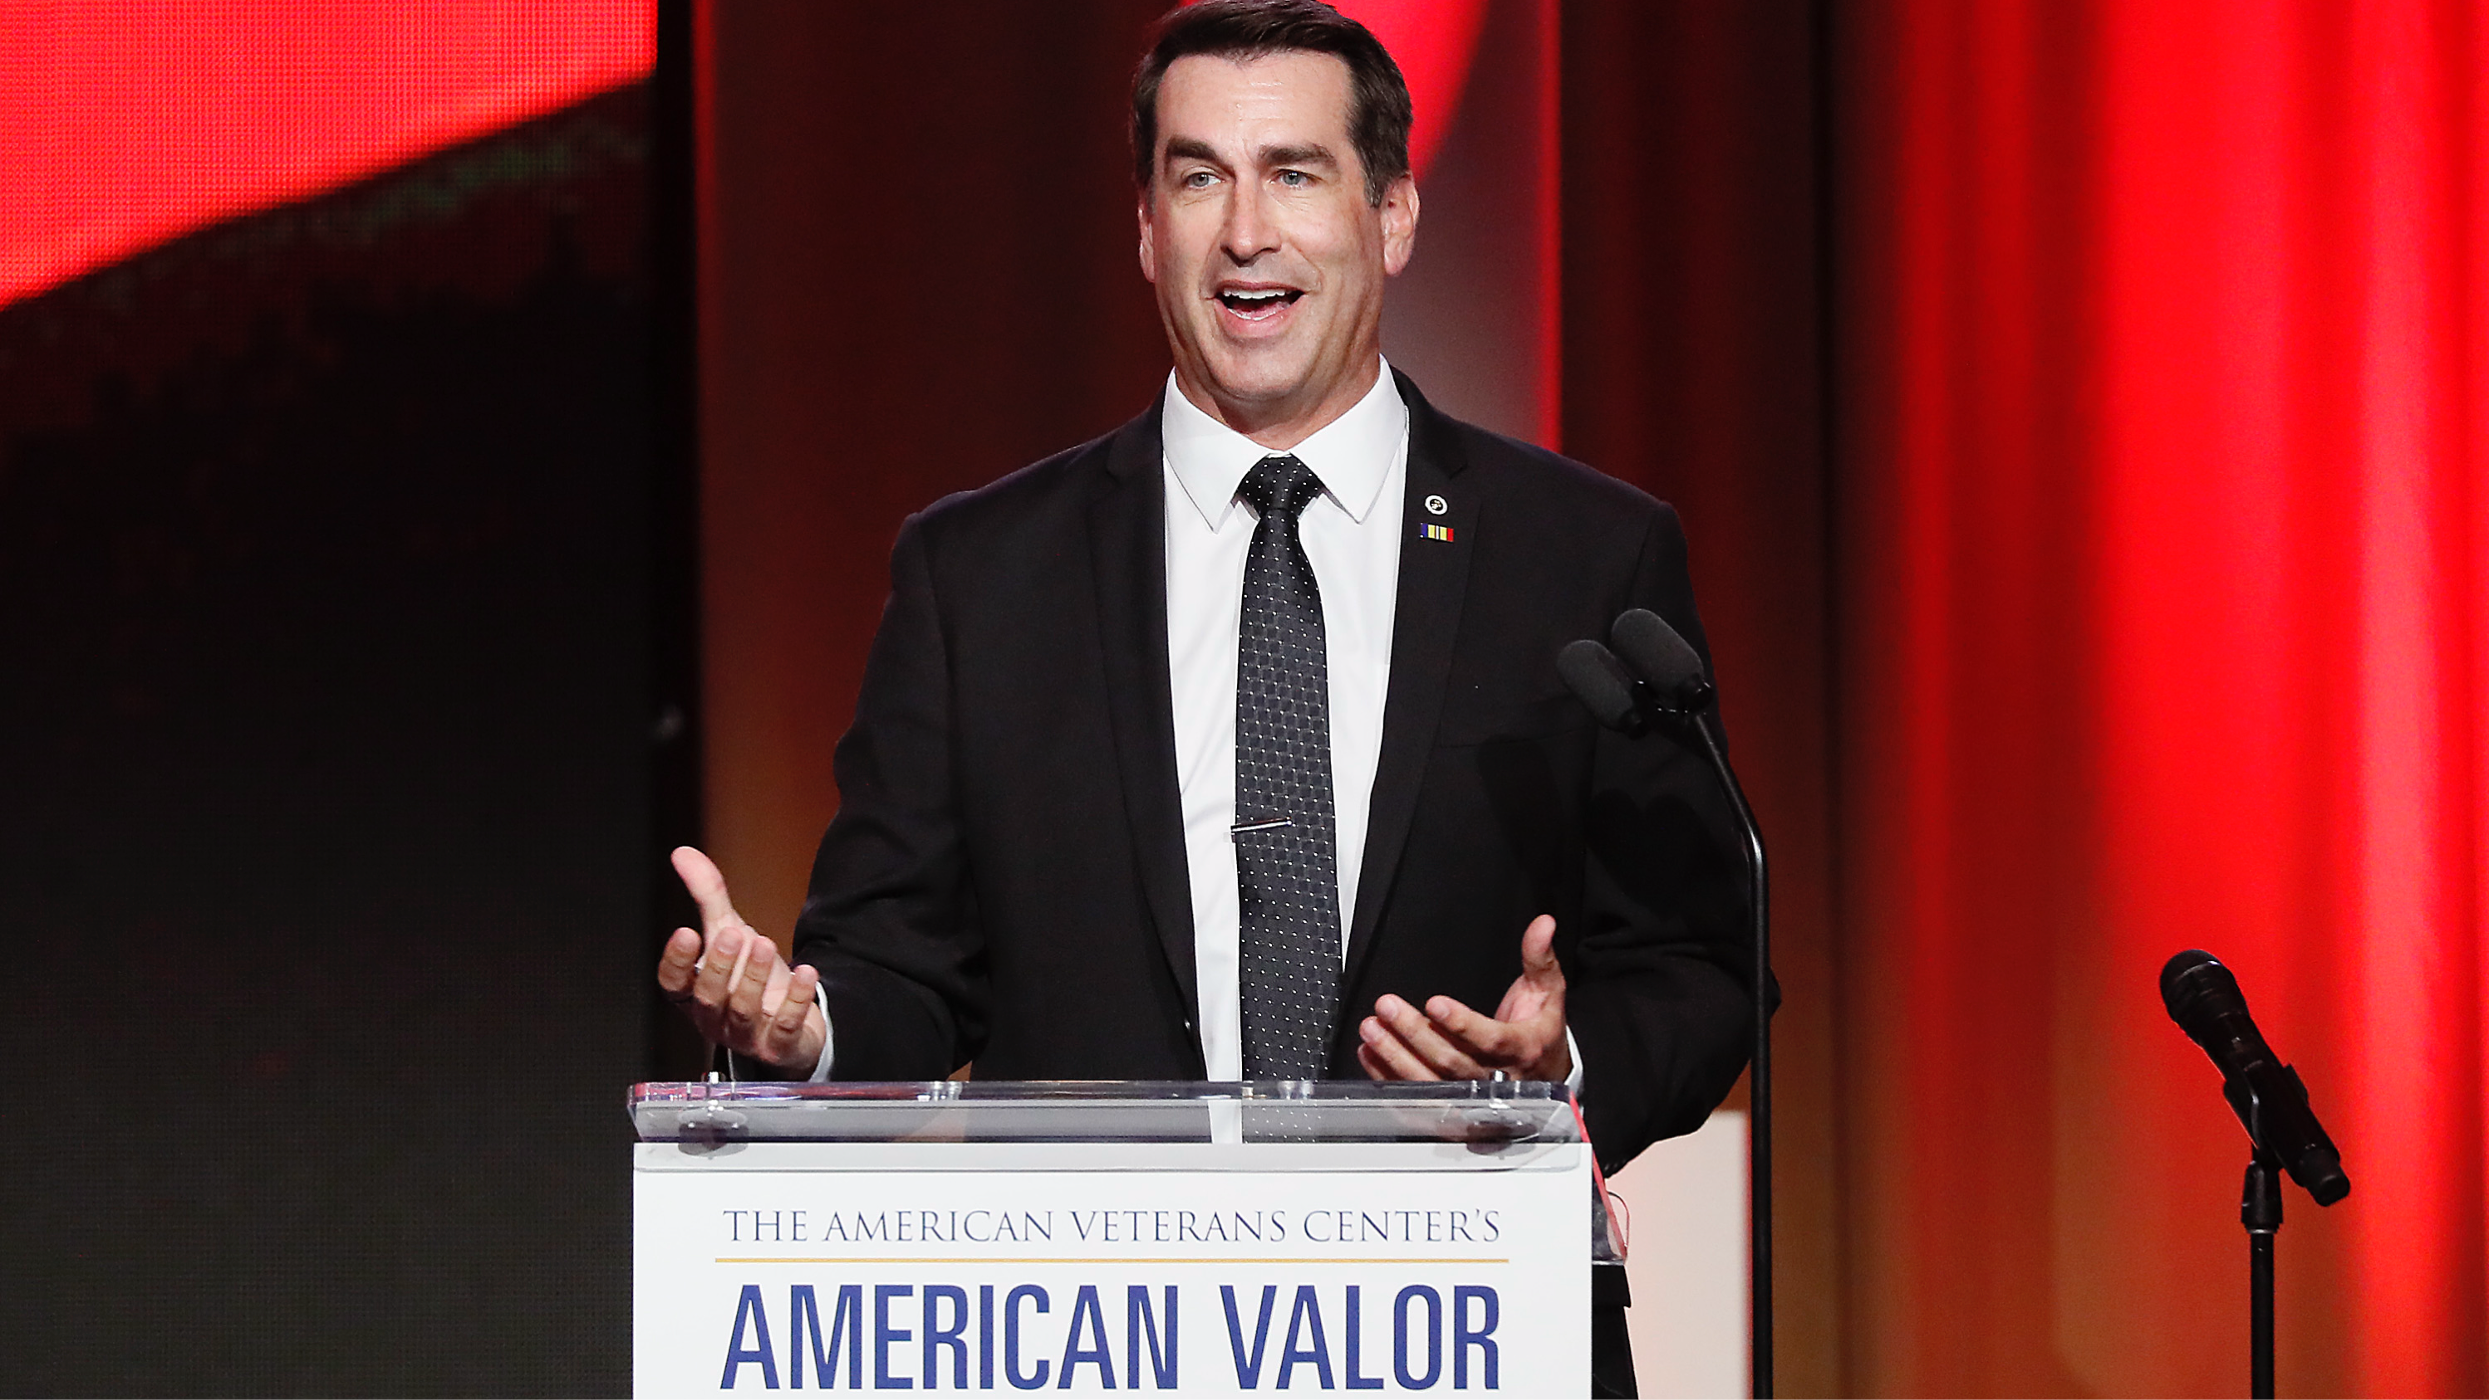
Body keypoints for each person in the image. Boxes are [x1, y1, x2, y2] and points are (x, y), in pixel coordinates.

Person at [658, 0, 1753, 1184]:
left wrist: (1559, 1077)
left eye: (1292, 174)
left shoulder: (1583, 555)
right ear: (1143, 227)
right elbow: (900, 966)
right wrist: (806, 1035)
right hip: (1113, 1324)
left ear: (1390, 216)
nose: (1244, 233)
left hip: (1468, 1304)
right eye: (1196, 179)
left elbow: (1702, 961)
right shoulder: (977, 577)